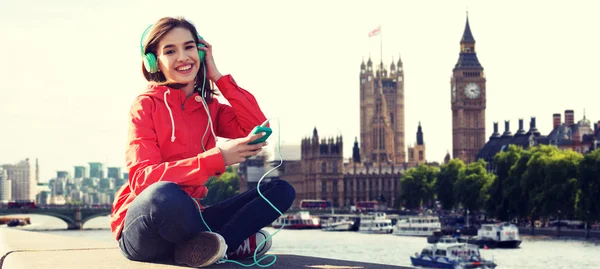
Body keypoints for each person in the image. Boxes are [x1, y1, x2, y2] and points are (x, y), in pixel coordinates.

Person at [110, 16, 296, 268]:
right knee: (163, 194)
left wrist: (217, 76)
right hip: (147, 227)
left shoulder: (210, 108)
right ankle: (228, 243)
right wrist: (218, 158)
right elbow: (144, 180)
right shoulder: (145, 105)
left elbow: (256, 125)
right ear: (153, 61)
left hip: (193, 218)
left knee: (280, 191)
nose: (183, 57)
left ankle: (211, 246)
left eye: (189, 47)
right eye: (170, 51)